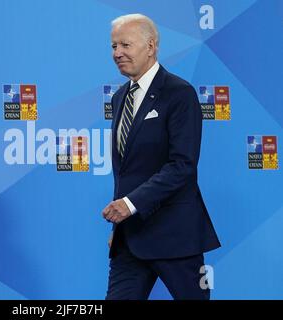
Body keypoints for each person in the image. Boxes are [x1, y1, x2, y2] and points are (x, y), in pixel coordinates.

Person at [102, 13, 220, 300]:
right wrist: (122, 223)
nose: (117, 53)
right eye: (114, 46)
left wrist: (129, 204)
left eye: (125, 45)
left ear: (151, 46)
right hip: (130, 240)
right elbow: (129, 169)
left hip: (175, 237)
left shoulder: (179, 93)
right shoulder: (119, 98)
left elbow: (183, 165)